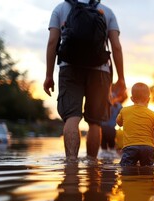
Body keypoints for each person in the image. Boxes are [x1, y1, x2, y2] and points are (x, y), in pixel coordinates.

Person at [43, 0, 126, 160]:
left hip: (69, 68)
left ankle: (71, 164)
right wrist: (121, 78)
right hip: (100, 71)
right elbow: (116, 47)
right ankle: (92, 167)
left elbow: (53, 42)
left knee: (72, 117)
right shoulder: (106, 11)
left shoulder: (60, 9)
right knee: (95, 122)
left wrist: (48, 75)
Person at [116, 82, 154, 166]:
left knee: (126, 170)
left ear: (131, 99)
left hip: (130, 147)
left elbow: (119, 123)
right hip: (148, 148)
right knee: (147, 170)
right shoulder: (153, 114)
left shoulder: (124, 111)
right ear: (148, 99)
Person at [100, 84, 127, 153]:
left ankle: (105, 160)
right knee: (111, 147)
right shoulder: (118, 105)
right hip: (111, 129)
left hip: (103, 128)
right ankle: (110, 160)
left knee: (104, 148)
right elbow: (123, 116)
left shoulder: (106, 97)